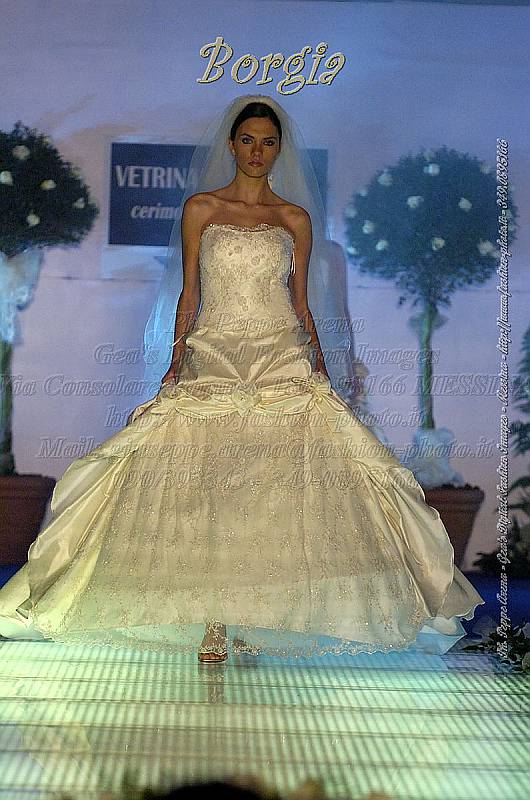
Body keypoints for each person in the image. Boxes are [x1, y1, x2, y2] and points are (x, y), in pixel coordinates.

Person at [0, 95, 484, 663]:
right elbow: (190, 295)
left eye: (268, 142)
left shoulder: (294, 219)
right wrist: (176, 363)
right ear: (231, 145)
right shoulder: (201, 209)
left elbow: (301, 304)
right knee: (209, 486)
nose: (257, 151)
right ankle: (212, 618)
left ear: (280, 150)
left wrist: (321, 368)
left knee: (273, 489)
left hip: (281, 357)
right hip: (216, 355)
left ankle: (258, 614)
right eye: (248, 140)